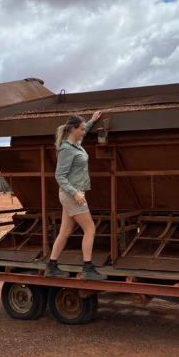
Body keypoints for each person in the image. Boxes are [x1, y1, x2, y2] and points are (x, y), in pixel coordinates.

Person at [46, 111, 107, 281]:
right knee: (90, 229)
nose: (83, 132)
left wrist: (91, 121)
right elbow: (60, 176)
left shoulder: (76, 143)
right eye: (80, 129)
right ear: (73, 129)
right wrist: (75, 194)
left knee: (65, 231)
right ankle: (88, 268)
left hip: (73, 195)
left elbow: (84, 132)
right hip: (72, 195)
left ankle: (51, 266)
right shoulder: (66, 149)